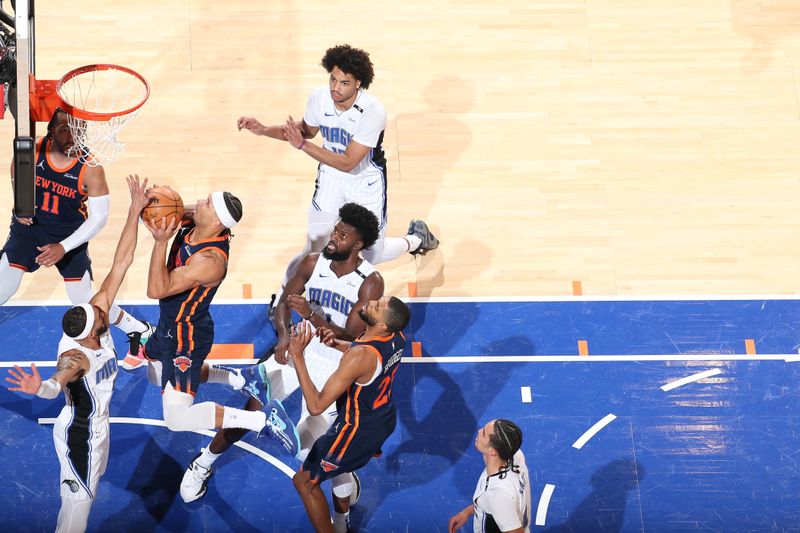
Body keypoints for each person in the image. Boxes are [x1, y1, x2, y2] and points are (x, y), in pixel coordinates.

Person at [179, 202, 384, 520]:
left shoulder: (370, 282)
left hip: (335, 368)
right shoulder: (313, 262)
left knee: (320, 453)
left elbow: (351, 335)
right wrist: (285, 336)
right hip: (298, 350)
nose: (333, 237)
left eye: (342, 235)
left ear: (358, 245)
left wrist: (312, 315)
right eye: (335, 230)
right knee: (248, 410)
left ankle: (343, 502)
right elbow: (285, 303)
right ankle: (203, 462)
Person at [4, 174, 150, 533]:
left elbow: (121, 263)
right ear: (89, 335)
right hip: (80, 435)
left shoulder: (91, 319)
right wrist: (40, 387)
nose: (105, 311)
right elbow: (57, 383)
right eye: (102, 316)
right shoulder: (78, 357)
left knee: (87, 496)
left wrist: (134, 210)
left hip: (99, 428)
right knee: (76, 515)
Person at [236, 44, 439, 287]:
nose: (335, 87)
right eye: (333, 79)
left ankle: (416, 239)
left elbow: (348, 162)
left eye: (344, 82)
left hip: (365, 181)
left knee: (371, 253)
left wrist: (301, 145)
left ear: (358, 84)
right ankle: (281, 298)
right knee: (315, 244)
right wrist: (264, 130)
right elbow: (306, 132)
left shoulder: (372, 112)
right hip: (331, 176)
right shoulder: (319, 98)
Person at [140, 190, 299, 456]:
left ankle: (262, 420)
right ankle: (240, 377)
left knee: (176, 419)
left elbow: (156, 289)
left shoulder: (210, 261)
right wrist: (145, 205)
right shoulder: (197, 223)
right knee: (154, 374)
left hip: (186, 336)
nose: (200, 201)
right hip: (169, 324)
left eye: (208, 203)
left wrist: (160, 243)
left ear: (216, 223)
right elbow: (168, 211)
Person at [0, 108, 153, 368]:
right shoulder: (33, 150)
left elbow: (98, 219)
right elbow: (16, 167)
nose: (73, 135)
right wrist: (20, 199)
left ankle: (137, 328)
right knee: (4, 288)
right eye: (64, 129)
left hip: (69, 236)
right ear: (50, 132)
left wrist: (64, 246)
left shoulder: (90, 168)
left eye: (79, 130)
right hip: (28, 232)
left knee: (85, 304)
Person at [288, 295, 410, 533]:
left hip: (355, 431)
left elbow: (316, 406)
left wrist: (298, 356)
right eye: (378, 300)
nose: (371, 303)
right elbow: (366, 359)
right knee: (337, 470)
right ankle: (342, 521)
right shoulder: (397, 337)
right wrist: (338, 345)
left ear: (383, 325)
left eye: (377, 307)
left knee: (304, 483)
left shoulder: (360, 356)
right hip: (382, 416)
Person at [448, 419, 531, 533]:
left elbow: (498, 502)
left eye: (483, 433)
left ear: (493, 451)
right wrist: (466, 513)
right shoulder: (515, 456)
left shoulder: (498, 493)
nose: (479, 430)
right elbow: (494, 504)